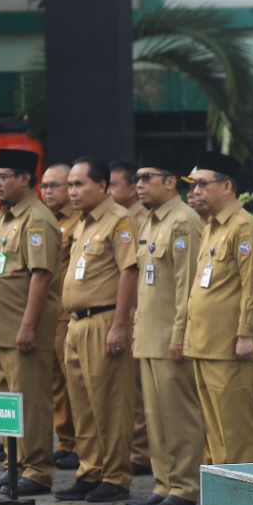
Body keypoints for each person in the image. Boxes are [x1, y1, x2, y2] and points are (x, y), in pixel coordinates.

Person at [0, 149, 62, 497]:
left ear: (25, 178)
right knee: (6, 404)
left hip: (22, 332)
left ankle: (36, 469)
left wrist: (27, 326)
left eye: (6, 176)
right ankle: (12, 466)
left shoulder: (37, 219)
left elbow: (41, 276)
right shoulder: (2, 218)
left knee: (30, 400)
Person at [54, 157, 140, 503]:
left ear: (102, 186)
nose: (71, 192)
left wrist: (120, 324)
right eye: (70, 185)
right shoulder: (83, 223)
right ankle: (89, 469)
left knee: (109, 403)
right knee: (83, 404)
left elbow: (129, 272)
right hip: (76, 323)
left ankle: (115, 475)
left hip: (104, 321)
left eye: (79, 184)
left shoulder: (118, 220)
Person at [126, 154, 204, 505]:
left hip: (170, 336)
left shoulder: (183, 221)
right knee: (155, 416)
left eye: (147, 177)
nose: (139, 183)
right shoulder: (149, 221)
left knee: (179, 414)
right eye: (137, 178)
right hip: (148, 334)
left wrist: (180, 334)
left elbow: (186, 284)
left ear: (170, 182)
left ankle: (186, 485)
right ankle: (164, 481)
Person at [184, 152, 253, 465]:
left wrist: (246, 333)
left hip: (231, 346)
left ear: (227, 186)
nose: (195, 192)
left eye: (202, 184)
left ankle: (244, 498)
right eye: (192, 185)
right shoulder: (211, 228)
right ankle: (223, 492)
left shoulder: (243, 228)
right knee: (215, 430)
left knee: (236, 428)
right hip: (206, 343)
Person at [108, 158, 152, 474]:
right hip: (134, 314)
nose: (110, 190)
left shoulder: (135, 220)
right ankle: (138, 450)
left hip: (141, 313)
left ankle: (141, 452)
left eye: (114, 185)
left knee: (139, 391)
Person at [40, 163, 81, 470]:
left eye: (55, 185)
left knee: (74, 381)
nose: (48, 191)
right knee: (55, 380)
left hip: (71, 314)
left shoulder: (79, 221)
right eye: (44, 186)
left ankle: (81, 442)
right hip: (49, 312)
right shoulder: (44, 221)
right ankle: (65, 440)